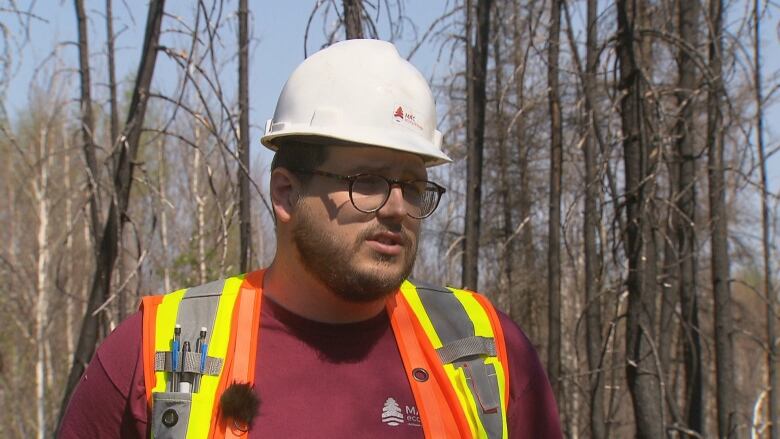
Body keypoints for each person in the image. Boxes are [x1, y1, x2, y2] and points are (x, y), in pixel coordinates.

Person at [59, 39, 561, 438]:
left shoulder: (481, 350)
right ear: (286, 193)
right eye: (366, 180)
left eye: (412, 185)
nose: (396, 207)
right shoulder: (159, 354)